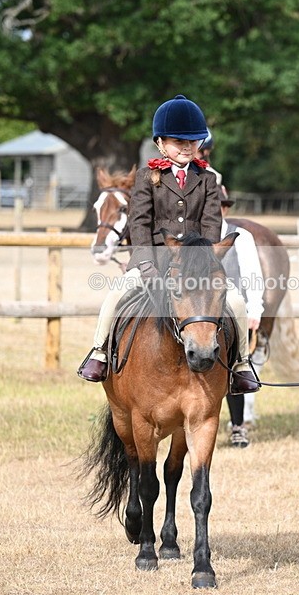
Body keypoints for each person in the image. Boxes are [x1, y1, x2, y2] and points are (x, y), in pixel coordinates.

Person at [78, 94, 260, 395]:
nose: (187, 147)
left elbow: (212, 225)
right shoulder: (146, 177)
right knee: (116, 295)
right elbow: (139, 223)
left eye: (193, 141)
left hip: (196, 266)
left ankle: (241, 365)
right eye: (179, 141)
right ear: (160, 143)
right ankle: (98, 352)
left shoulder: (207, 180)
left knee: (236, 302)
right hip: (152, 262)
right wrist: (146, 263)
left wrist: (206, 261)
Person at [220, 187, 265, 447]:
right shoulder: (193, 235)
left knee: (235, 365)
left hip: (232, 307)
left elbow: (252, 274)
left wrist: (255, 309)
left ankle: (238, 425)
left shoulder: (241, 237)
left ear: (225, 209)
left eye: (218, 205)